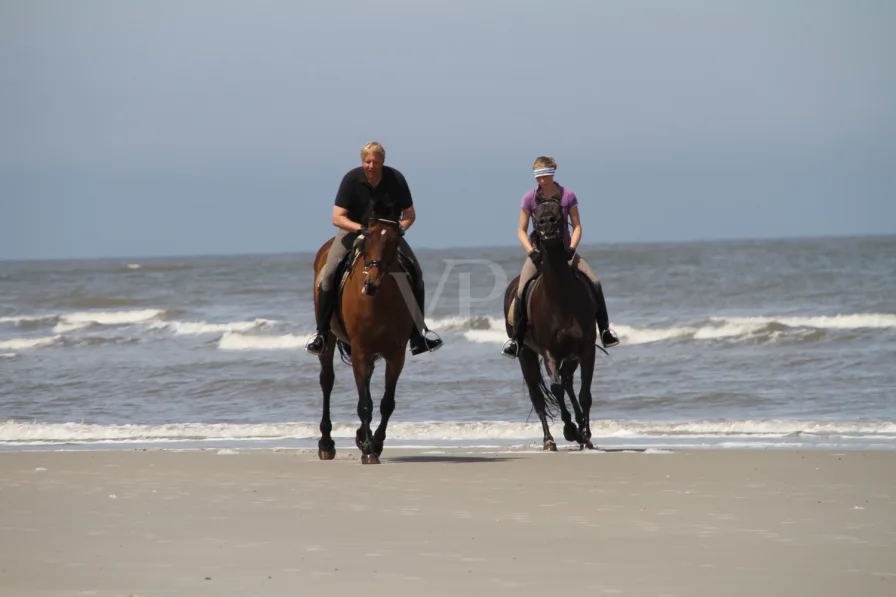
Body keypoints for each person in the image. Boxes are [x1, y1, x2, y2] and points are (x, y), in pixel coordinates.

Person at [305, 141, 443, 357]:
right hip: (353, 231)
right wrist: (360, 228)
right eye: (368, 162)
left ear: (382, 162)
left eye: (376, 162)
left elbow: (409, 214)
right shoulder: (351, 180)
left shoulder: (395, 179)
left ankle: (418, 334)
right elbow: (337, 217)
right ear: (363, 162)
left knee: (415, 272)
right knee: (329, 274)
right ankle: (321, 334)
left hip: (386, 235)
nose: (371, 166)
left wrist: (400, 229)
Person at [502, 156, 619, 358]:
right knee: (520, 290)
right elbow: (521, 230)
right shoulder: (529, 198)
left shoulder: (568, 196)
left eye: (544, 176)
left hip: (565, 252)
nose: (541, 180)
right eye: (537, 177)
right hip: (539, 253)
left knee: (595, 282)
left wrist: (572, 249)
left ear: (551, 174)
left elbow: (577, 226)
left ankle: (605, 330)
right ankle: (516, 340)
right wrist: (531, 251)